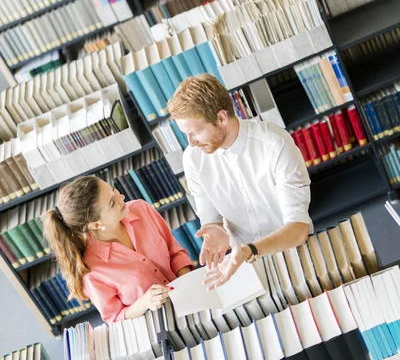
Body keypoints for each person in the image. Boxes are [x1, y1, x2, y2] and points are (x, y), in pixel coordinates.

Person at [167, 74, 312, 289]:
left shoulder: (275, 144)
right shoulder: (193, 158)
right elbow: (210, 217)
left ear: (222, 118)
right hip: (242, 268)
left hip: (293, 252)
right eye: (186, 134)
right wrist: (214, 229)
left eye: (196, 132)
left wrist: (250, 250)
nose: (191, 142)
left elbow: (298, 229)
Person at [43, 176, 193, 323]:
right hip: (160, 322)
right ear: (96, 224)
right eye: (111, 203)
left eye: (113, 190)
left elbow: (175, 252)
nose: (121, 197)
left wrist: (186, 284)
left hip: (191, 293)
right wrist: (144, 302)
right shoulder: (92, 271)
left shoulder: (141, 209)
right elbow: (114, 316)